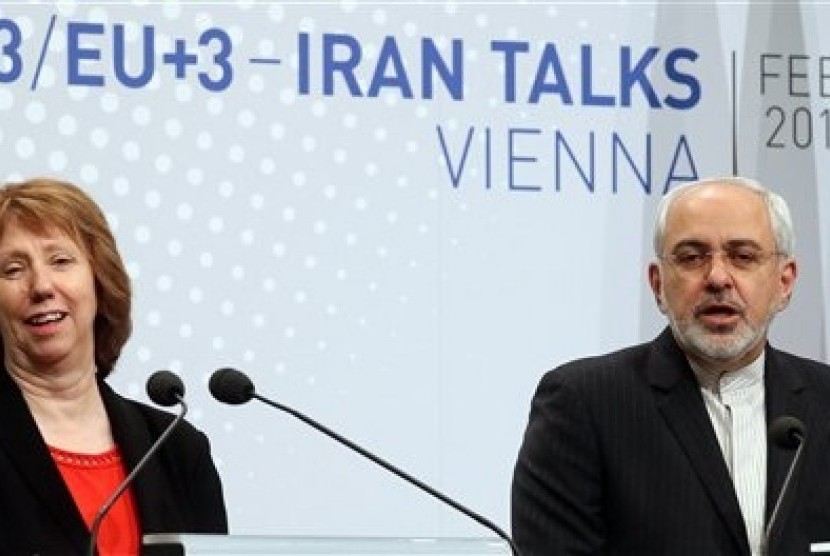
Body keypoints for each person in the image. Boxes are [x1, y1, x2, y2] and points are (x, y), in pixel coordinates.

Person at [511, 176, 830, 555]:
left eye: (743, 256)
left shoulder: (824, 399)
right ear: (658, 284)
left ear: (784, 282)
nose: (717, 278)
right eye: (692, 257)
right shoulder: (584, 403)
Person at [0, 178, 228, 554]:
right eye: (12, 270)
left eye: (60, 261)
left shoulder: (176, 449)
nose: (41, 286)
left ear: (99, 281)